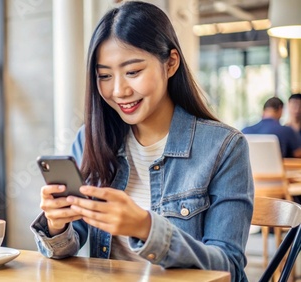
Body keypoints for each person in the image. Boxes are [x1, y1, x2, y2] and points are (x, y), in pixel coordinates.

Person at [30, 2, 254, 281]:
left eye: (133, 72)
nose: (119, 90)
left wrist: (147, 229)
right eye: (105, 76)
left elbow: (228, 268)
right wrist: (56, 225)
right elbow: (68, 247)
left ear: (171, 63)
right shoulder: (91, 139)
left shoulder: (224, 147)